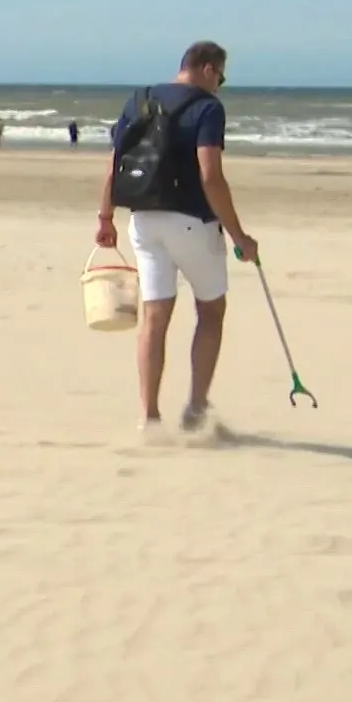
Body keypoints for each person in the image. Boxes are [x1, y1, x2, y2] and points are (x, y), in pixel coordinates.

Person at [95, 40, 256, 432]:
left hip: (144, 220)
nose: (220, 84)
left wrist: (105, 216)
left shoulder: (140, 100)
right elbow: (210, 176)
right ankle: (196, 409)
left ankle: (148, 415)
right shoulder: (207, 107)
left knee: (155, 316)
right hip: (191, 222)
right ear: (207, 67)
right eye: (221, 76)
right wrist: (238, 235)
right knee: (211, 311)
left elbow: (117, 163)